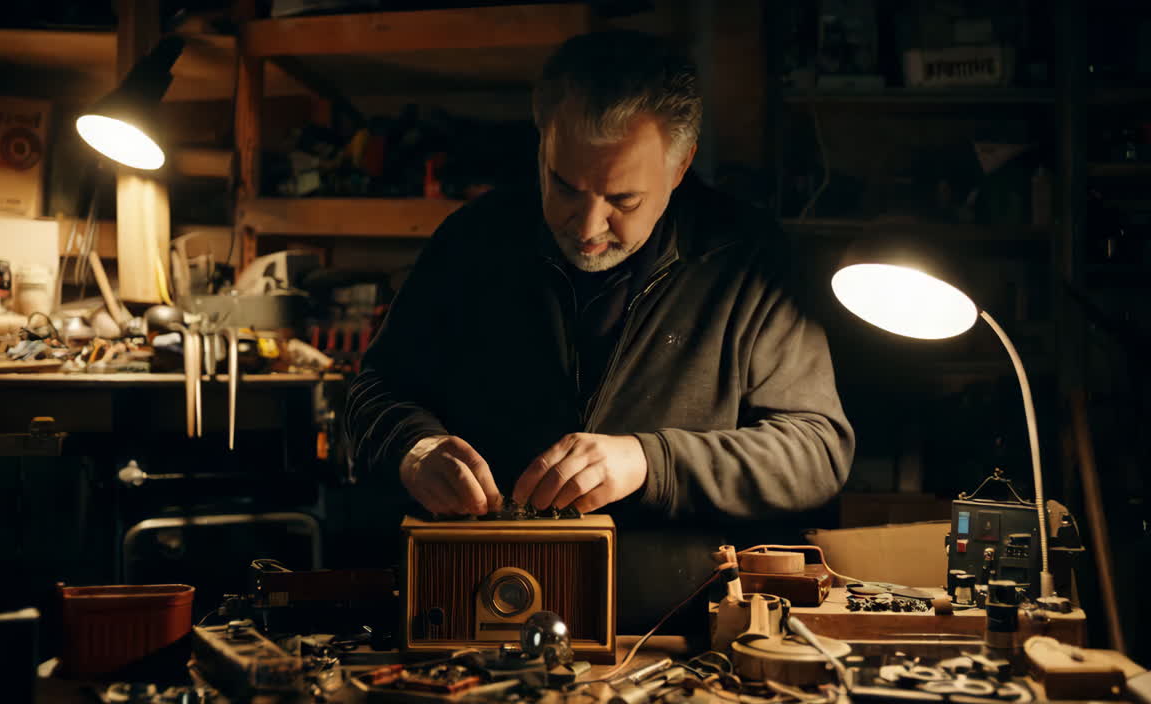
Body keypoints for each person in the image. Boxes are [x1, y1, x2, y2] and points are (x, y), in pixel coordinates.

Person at [346, 30, 854, 631]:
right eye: (564, 185)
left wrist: (649, 462)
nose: (588, 225)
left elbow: (817, 450)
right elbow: (371, 391)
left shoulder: (746, 260)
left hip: (674, 641)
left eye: (624, 198)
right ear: (542, 144)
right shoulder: (472, 242)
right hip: (480, 625)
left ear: (680, 166)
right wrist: (414, 448)